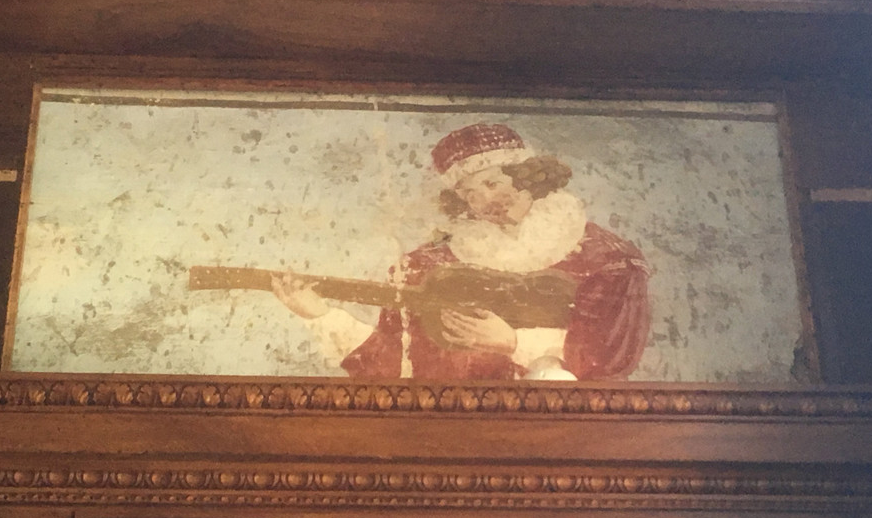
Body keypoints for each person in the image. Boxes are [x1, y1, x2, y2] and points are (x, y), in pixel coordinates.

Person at [273, 123, 650, 380]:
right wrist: (321, 316)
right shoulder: (425, 266)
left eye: (492, 183)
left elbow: (610, 360)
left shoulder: (608, 260)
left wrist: (513, 343)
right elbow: (396, 370)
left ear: (527, 177)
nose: (484, 201)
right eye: (469, 193)